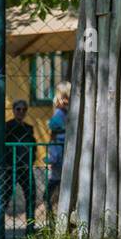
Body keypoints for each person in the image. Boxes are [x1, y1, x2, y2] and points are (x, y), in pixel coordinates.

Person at [0, 100, 37, 234]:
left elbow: (33, 145)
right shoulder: (7, 126)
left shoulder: (28, 128)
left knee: (31, 195)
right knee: (4, 196)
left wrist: (31, 159)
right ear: (13, 110)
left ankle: (30, 227)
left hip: (25, 166)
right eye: (18, 109)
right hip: (10, 167)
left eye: (23, 110)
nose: (21, 112)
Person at [45, 81, 71, 215]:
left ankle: (52, 212)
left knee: (55, 184)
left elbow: (53, 130)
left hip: (59, 153)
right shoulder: (65, 113)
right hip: (61, 152)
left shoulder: (61, 114)